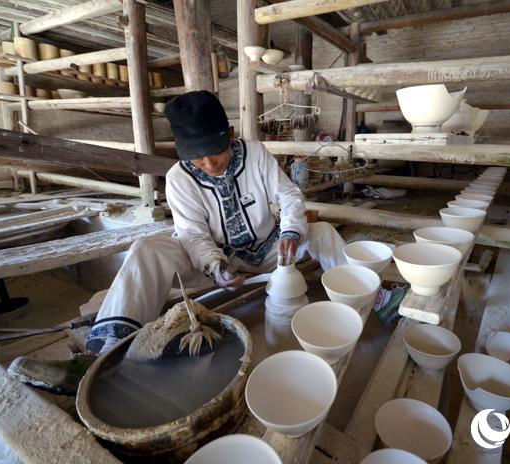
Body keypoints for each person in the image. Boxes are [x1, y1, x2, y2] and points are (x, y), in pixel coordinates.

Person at [84, 90, 348, 354]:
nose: (209, 165)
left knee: (323, 232)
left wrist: (290, 232)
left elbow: (289, 195)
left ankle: (358, 296)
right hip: (214, 261)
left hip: (270, 250)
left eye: (215, 155)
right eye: (198, 160)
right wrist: (215, 266)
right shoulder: (178, 178)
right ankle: (112, 346)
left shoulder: (255, 154)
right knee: (146, 250)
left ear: (230, 135)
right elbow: (193, 235)